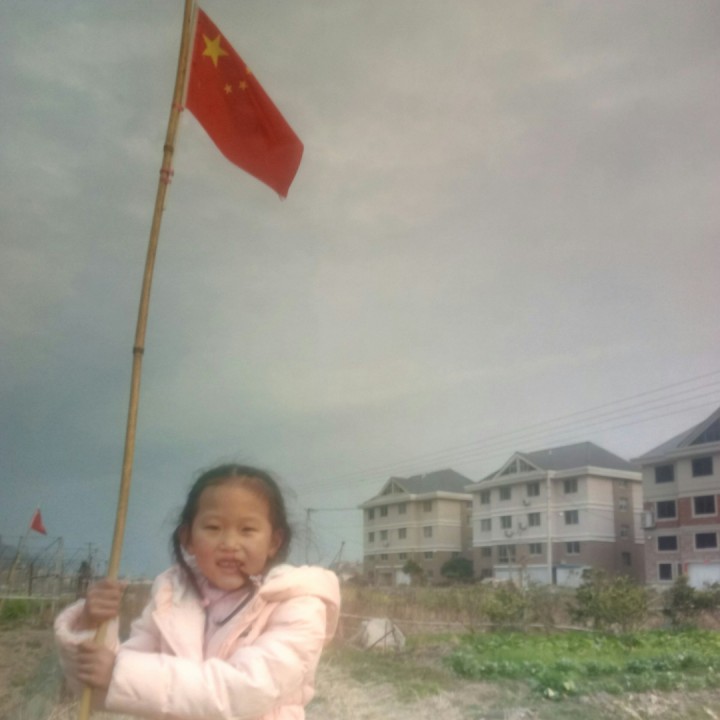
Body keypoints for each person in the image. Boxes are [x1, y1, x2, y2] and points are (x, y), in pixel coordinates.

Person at [55, 464, 341, 720]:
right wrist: (91, 626)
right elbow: (105, 691)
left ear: (274, 542)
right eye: (213, 527)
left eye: (247, 530)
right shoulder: (170, 598)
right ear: (188, 538)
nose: (229, 543)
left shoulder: (299, 604)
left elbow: (248, 689)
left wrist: (121, 673)